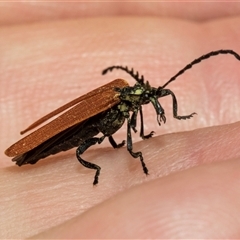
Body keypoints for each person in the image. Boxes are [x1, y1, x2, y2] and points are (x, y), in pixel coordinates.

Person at [1, 2, 240, 238]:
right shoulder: (120, 100)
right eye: (150, 100)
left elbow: (140, 116)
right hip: (68, 135)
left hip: (99, 126)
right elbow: (126, 134)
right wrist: (134, 152)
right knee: (82, 151)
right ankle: (90, 167)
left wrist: (161, 122)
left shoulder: (130, 103)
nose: (155, 104)